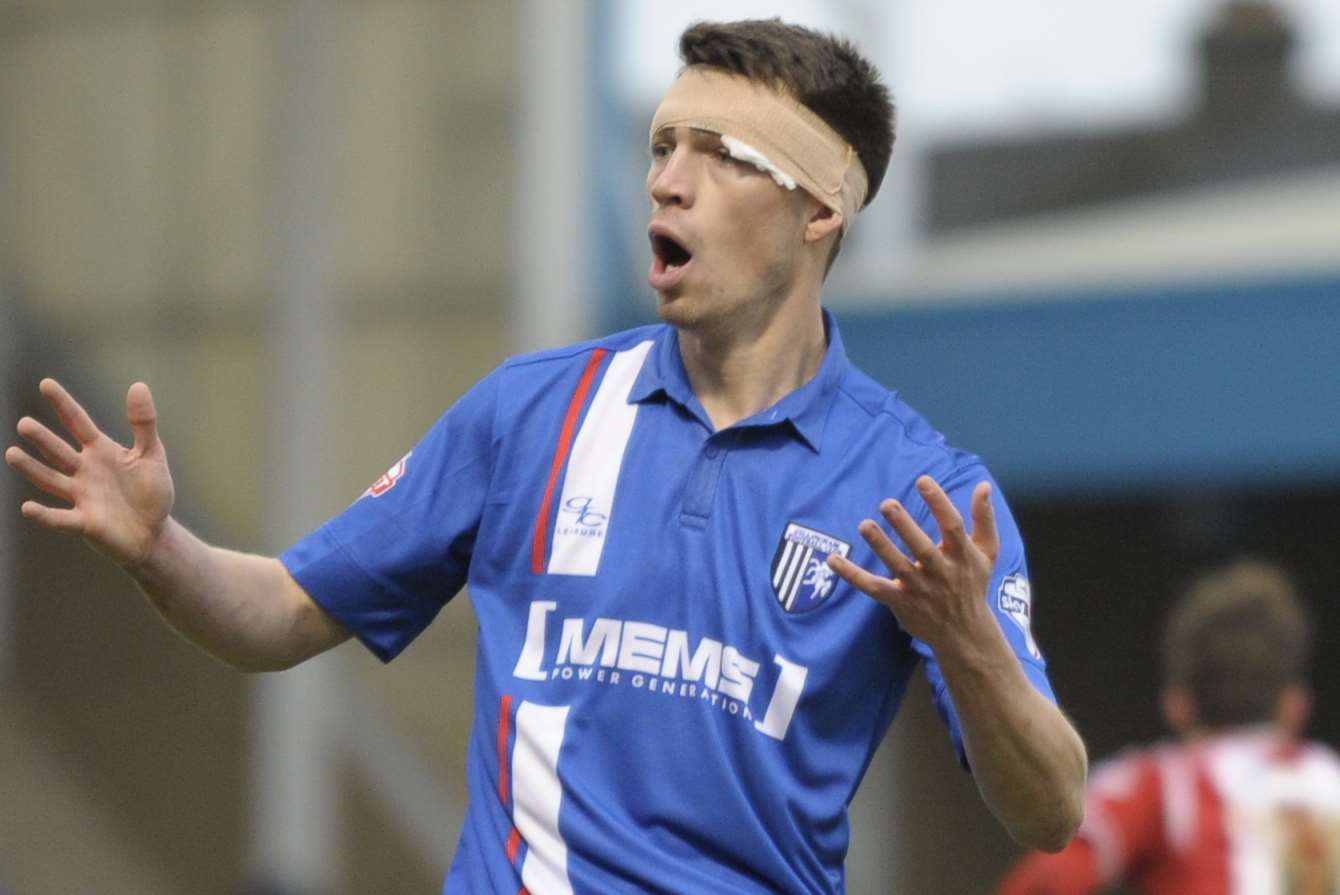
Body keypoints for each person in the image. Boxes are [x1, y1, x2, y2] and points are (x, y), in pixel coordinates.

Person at [5, 19, 1085, 894]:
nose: (667, 181)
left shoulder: (925, 493)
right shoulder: (532, 412)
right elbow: (285, 610)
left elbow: (1049, 810)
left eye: (720, 157)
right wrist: (158, 548)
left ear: (817, 211)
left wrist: (968, 640)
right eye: (662, 145)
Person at [997, 559, 1340, 895]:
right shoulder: (1331, 777)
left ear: (1177, 704)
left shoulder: (1162, 783)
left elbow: (1048, 883)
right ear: (1295, 705)